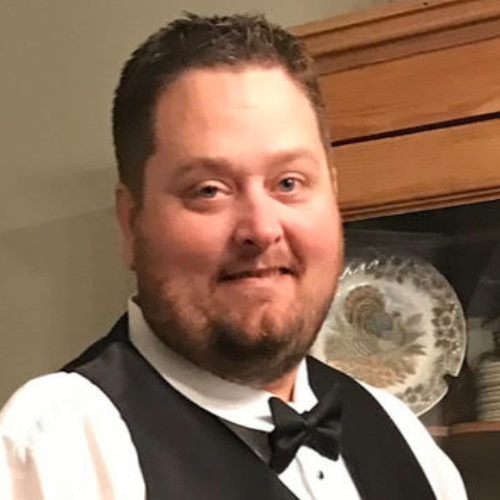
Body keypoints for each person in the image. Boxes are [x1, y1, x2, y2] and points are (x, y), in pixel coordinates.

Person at [0, 13, 467, 500]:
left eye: (289, 182)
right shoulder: (56, 447)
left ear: (332, 194)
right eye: (208, 190)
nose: (261, 229)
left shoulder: (405, 438)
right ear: (131, 222)